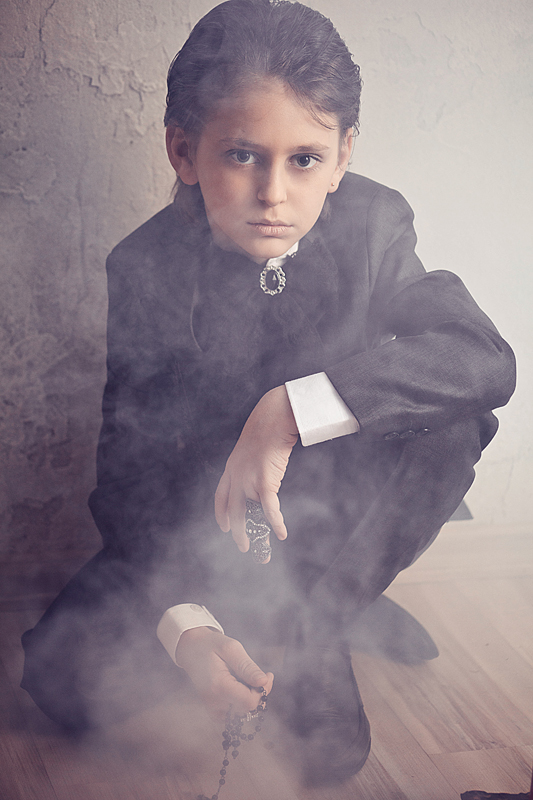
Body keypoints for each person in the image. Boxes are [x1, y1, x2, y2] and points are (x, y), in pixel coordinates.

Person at [21, 0, 516, 786]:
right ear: (184, 152)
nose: (273, 193)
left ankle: (320, 616)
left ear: (343, 155)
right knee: (52, 680)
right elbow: (125, 481)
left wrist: (288, 411)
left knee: (454, 425)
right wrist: (187, 627)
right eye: (243, 155)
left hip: (327, 520)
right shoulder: (143, 267)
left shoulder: (373, 224)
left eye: (305, 160)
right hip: (198, 530)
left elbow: (483, 360)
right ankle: (264, 620)